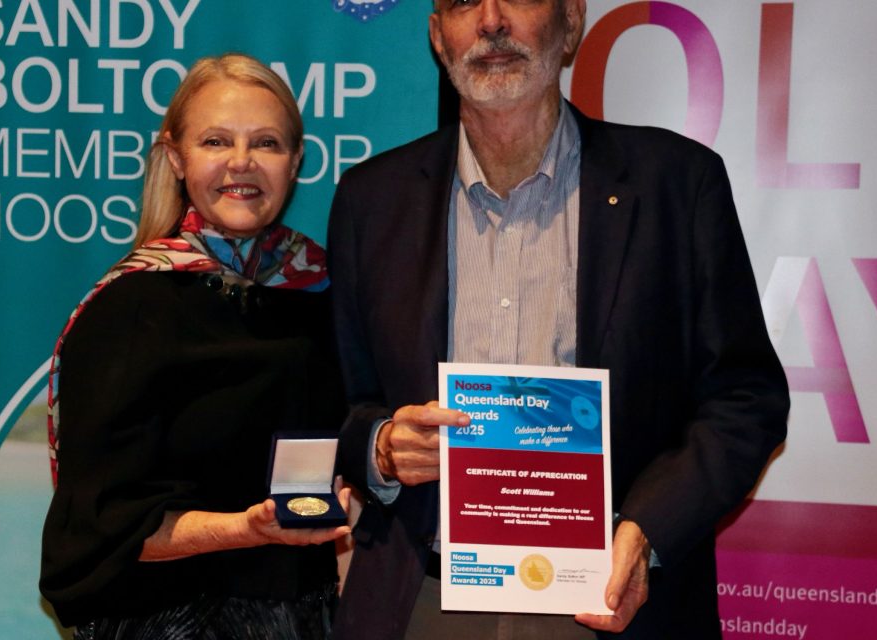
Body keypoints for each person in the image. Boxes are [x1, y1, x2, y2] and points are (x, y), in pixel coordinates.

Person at [328, 1, 789, 638]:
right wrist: (381, 446)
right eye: (462, 2)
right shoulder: (371, 199)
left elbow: (745, 399)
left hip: (608, 602)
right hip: (421, 598)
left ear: (570, 21)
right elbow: (340, 401)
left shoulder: (677, 183)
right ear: (437, 34)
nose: (491, 20)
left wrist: (647, 529)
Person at [40, 53, 352, 640]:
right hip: (168, 622)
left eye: (266, 142)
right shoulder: (130, 310)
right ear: (177, 157)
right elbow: (98, 532)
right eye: (216, 141)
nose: (242, 161)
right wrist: (245, 529)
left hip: (307, 620)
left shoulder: (329, 295)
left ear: (295, 161)